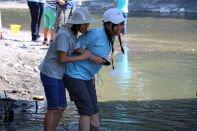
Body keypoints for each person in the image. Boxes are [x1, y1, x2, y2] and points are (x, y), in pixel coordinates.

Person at [64, 8, 125, 131]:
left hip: (87, 76)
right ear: (107, 25)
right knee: (86, 110)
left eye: (122, 23)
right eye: (116, 24)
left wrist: (92, 73)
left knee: (94, 109)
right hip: (74, 74)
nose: (120, 27)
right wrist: (92, 58)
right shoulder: (95, 34)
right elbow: (74, 46)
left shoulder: (112, 35)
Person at [39, 7, 95, 131]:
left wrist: (82, 51)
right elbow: (62, 59)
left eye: (87, 24)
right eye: (85, 24)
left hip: (58, 73)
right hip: (50, 73)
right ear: (78, 24)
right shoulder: (64, 34)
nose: (86, 27)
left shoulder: (73, 33)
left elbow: (73, 48)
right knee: (53, 108)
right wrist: (81, 57)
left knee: (61, 107)